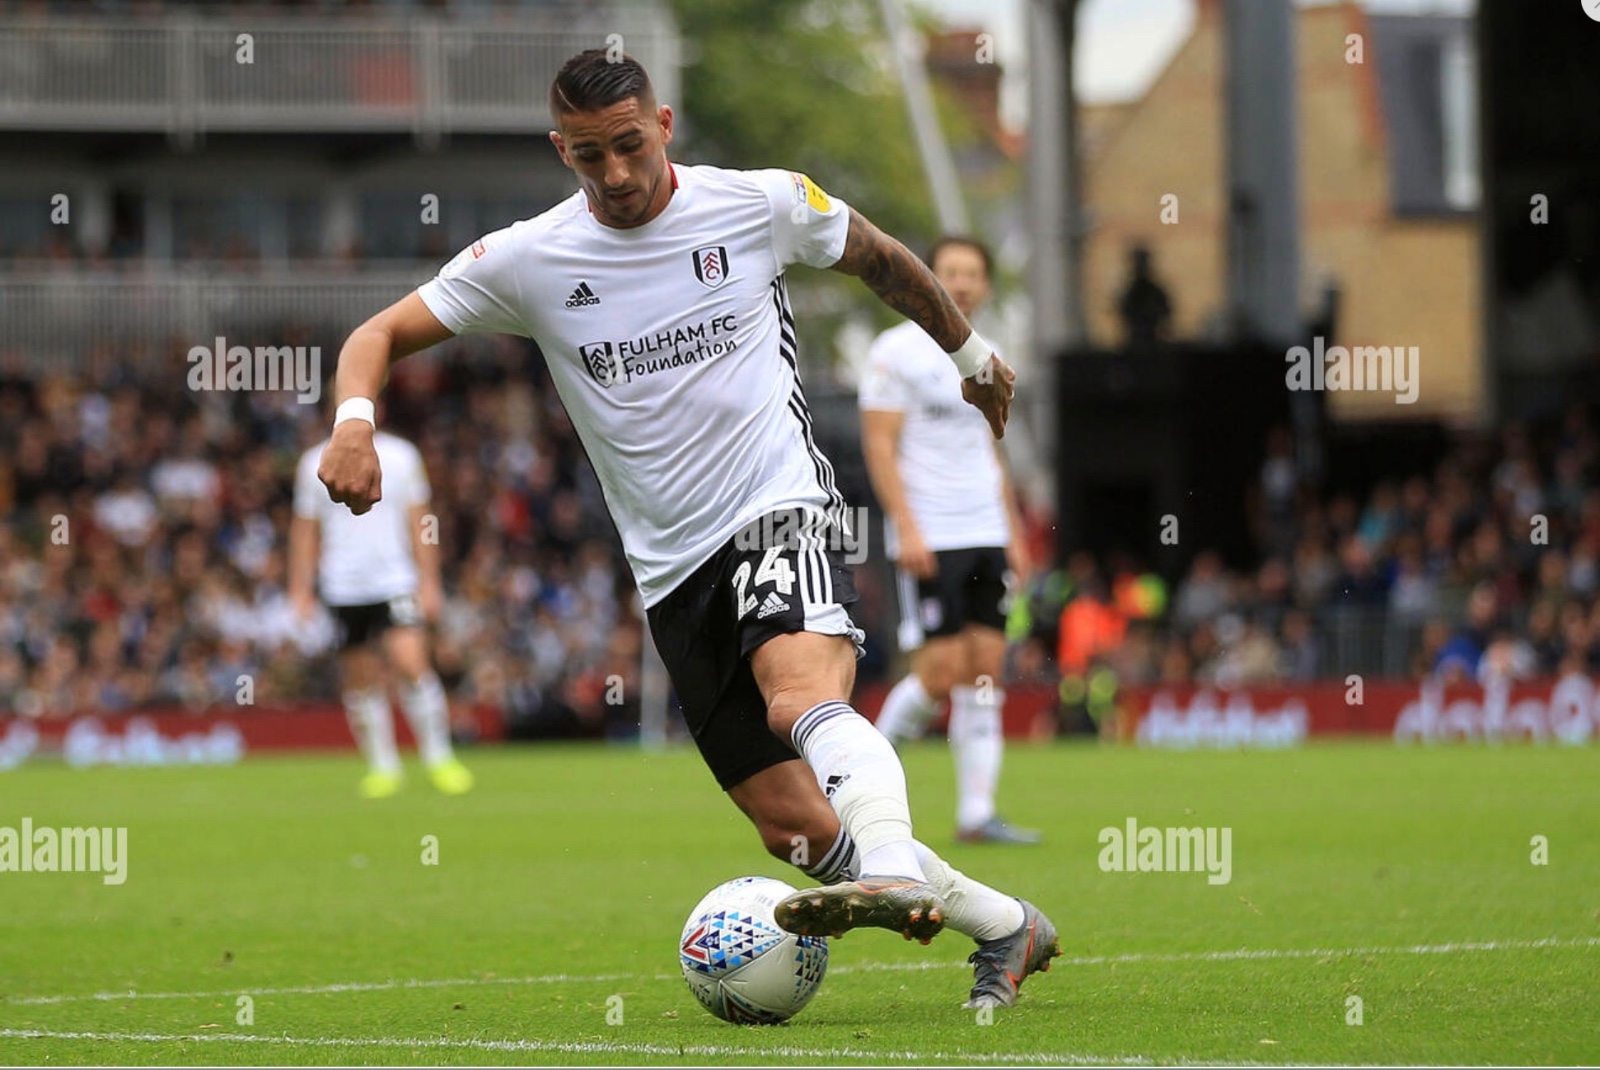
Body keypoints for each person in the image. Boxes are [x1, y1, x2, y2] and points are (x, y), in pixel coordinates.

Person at [315, 50, 1058, 1008]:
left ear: (664, 125)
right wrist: (353, 425)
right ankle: (1004, 926)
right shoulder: (530, 259)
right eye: (590, 156)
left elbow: (876, 255)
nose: (616, 174)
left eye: (630, 145)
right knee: (789, 825)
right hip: (671, 571)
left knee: (797, 697)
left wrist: (968, 349)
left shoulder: (759, 204)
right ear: (562, 151)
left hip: (775, 503)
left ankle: (891, 867)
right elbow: (373, 335)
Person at [858, 235, 1040, 845]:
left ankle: (977, 814)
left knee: (985, 671)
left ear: (986, 284)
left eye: (972, 273)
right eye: (950, 272)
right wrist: (905, 527)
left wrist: (1012, 529)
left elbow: (990, 449)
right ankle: (859, 787)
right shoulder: (895, 352)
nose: (960, 283)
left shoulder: (989, 354)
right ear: (929, 278)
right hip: (930, 533)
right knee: (938, 674)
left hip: (984, 528)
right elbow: (880, 446)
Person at [290, 421, 474, 799]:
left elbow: (421, 519)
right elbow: (305, 530)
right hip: (343, 584)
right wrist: (300, 589)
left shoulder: (402, 455)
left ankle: (439, 758)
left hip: (394, 579)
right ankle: (383, 767)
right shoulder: (314, 462)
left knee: (410, 662)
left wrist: (429, 580)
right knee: (359, 677)